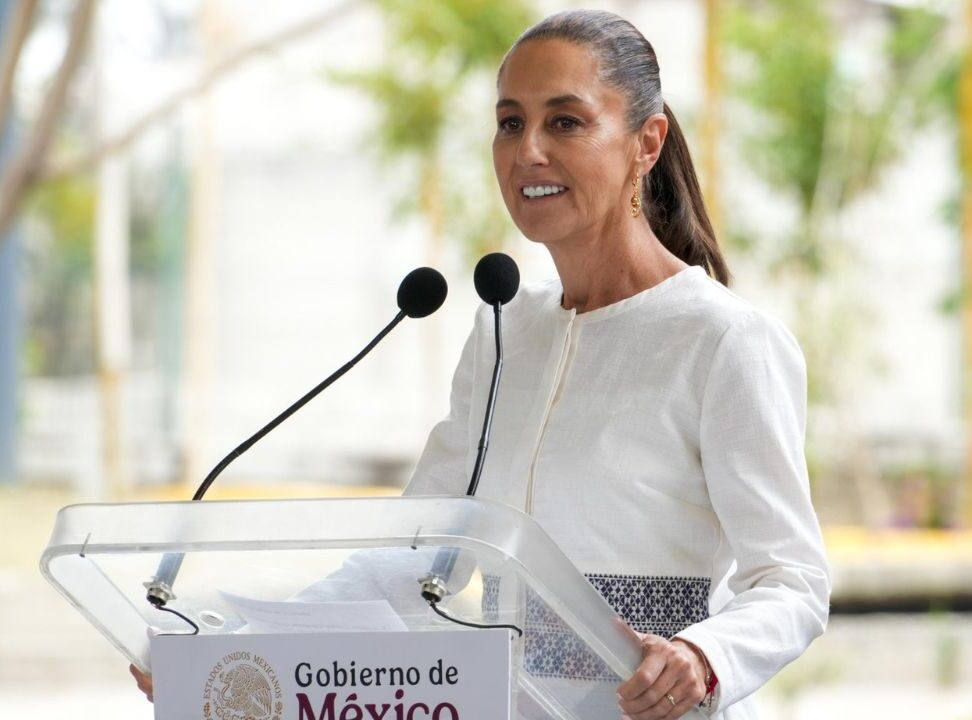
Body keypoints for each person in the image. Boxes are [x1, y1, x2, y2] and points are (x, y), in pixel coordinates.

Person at [132, 9, 830, 719]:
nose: (527, 150)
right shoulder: (505, 330)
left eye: (565, 122)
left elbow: (792, 580)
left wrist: (702, 658)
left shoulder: (722, 340)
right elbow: (418, 558)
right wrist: (232, 648)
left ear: (646, 142)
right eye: (509, 122)